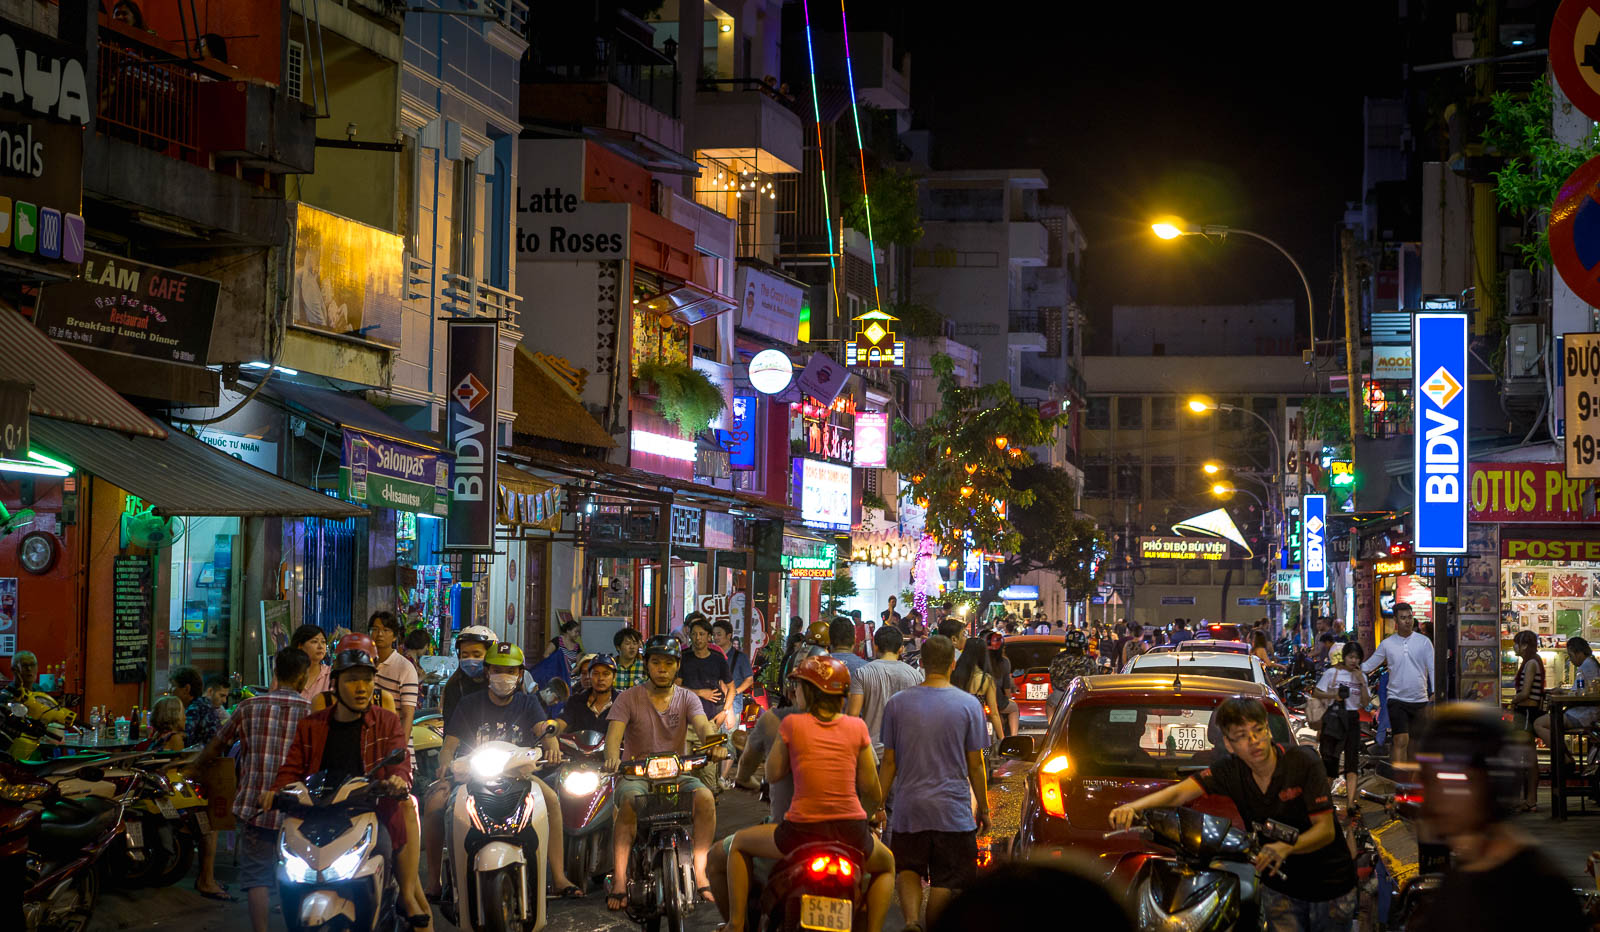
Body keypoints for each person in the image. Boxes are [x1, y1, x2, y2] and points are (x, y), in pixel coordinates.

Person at [1111, 697, 1357, 932]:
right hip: (1281, 888)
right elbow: (1178, 793)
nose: (1254, 741)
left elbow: (1325, 830)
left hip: (1329, 886)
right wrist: (1133, 808)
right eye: (1241, 736)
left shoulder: (1302, 762)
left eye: (1258, 730)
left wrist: (1285, 848)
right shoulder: (1230, 772)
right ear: (1228, 744)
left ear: (1268, 731)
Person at [725, 655, 894, 932]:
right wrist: (868, 814)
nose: (795, 692)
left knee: (739, 844)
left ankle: (735, 924)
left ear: (809, 691)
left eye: (799, 686)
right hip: (850, 832)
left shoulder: (792, 725)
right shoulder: (857, 728)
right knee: (887, 865)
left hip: (801, 832)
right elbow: (872, 790)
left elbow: (773, 773)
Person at [271, 641, 428, 928]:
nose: (361, 687)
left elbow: (400, 763)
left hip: (371, 812)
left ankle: (405, 894)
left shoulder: (387, 721)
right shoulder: (312, 725)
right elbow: (291, 768)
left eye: (367, 679)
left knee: (408, 805)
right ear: (335, 685)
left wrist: (397, 780)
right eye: (353, 680)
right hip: (319, 815)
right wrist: (273, 793)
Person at [1410, 703, 1587, 932]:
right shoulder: (1461, 877)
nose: (1431, 793)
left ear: (1491, 782)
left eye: (1446, 777)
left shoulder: (1538, 893)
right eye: (1427, 777)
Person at [439, 642, 578, 899]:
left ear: (519, 675)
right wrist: (445, 763)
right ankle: (439, 882)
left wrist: (552, 745)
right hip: (473, 775)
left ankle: (557, 876)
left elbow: (544, 731)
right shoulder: (469, 704)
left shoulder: (528, 704)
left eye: (511, 671)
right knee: (438, 803)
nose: (504, 677)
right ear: (487, 672)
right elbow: (450, 745)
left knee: (552, 801)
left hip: (519, 775)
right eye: (498, 670)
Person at [187, 648, 311, 929]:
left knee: (258, 877)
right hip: (298, 812)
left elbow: (217, 744)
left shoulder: (248, 707)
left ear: (276, 673)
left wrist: (194, 768)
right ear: (303, 678)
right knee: (301, 875)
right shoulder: (312, 712)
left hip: (256, 808)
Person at [602, 635, 728, 912]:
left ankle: (701, 868)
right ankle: (621, 879)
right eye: (656, 662)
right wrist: (612, 758)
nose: (662, 668)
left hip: (677, 773)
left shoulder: (688, 698)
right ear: (646, 664)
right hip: (637, 776)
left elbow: (704, 727)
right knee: (629, 803)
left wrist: (715, 746)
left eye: (668, 663)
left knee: (706, 797)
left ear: (676, 666)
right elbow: (614, 738)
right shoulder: (628, 698)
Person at [877, 635, 990, 931]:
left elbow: (889, 761)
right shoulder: (968, 706)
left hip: (909, 808)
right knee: (947, 878)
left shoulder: (897, 704)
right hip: (952, 811)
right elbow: (976, 764)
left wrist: (877, 804)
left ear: (922, 663)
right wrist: (985, 809)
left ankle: (912, 921)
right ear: (953, 664)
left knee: (909, 868)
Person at [1361, 602, 1434, 762]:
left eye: (1409, 617)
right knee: (1400, 740)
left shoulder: (1424, 642)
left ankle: (1412, 782)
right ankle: (1399, 781)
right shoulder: (1387, 644)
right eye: (1403, 618)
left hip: (1420, 699)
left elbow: (1432, 667)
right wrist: (1349, 666)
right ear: (1395, 620)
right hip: (1396, 699)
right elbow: (1369, 665)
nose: (1407, 621)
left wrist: (1433, 691)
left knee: (1416, 744)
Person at [846, 626, 923, 758]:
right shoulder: (915, 676)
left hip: (871, 752)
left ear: (875, 647)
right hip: (904, 751)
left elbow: (852, 715)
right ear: (901, 648)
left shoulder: (863, 673)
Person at [1313, 641, 1370, 812]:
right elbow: (1316, 692)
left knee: (1352, 763)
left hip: (1352, 719)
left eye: (1357, 658)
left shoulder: (1362, 677)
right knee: (1330, 763)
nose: (1354, 661)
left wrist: (1362, 682)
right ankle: (1323, 801)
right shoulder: (1332, 673)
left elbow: (1365, 703)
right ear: (1344, 657)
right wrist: (1334, 695)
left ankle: (1351, 803)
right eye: (1351, 657)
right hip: (1334, 718)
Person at [1532, 635, 1600, 773]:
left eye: (1571, 655)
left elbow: (1584, 693)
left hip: (1584, 715)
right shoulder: (1590, 664)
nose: (1571, 659)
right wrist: (1564, 692)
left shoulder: (1586, 666)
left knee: (1539, 723)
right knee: (1550, 722)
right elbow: (1581, 691)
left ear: (1579, 653)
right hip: (1585, 713)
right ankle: (1566, 756)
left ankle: (1564, 758)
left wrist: (1563, 694)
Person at [1509, 630, 1545, 810]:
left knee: (1527, 758)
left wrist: (1511, 702)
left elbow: (1525, 693)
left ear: (1524, 645)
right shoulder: (1532, 661)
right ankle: (1529, 800)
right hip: (1526, 712)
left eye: (1516, 643)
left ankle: (1529, 800)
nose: (1514, 646)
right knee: (1528, 758)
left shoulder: (1531, 663)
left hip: (1527, 713)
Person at [368, 611, 420, 735]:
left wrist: (400, 750)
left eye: (386, 630)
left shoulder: (405, 668)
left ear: (395, 636)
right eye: (375, 629)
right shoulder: (366, 664)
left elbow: (408, 715)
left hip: (393, 740)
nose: (380, 634)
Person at [678, 617, 734, 724]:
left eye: (701, 634)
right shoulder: (683, 658)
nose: (698, 638)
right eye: (694, 634)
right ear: (690, 636)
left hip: (712, 718)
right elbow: (676, 688)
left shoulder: (718, 659)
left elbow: (731, 688)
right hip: (686, 720)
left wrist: (725, 712)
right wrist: (699, 693)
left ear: (709, 637)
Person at [439, 625, 496, 723]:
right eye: (465, 655)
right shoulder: (454, 686)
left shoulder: (499, 684)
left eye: (477, 655)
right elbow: (450, 724)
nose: (470, 659)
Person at [952, 636, 1005, 742]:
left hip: (956, 728)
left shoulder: (954, 675)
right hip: (978, 730)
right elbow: (994, 714)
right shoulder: (986, 679)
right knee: (981, 756)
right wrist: (1002, 739)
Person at [559, 653, 617, 737]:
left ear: (614, 677)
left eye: (606, 674)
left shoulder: (622, 702)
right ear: (590, 675)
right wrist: (554, 727)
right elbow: (562, 721)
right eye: (596, 673)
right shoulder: (575, 701)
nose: (601, 678)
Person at [711, 620, 755, 723]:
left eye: (719, 634)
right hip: (712, 707)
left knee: (729, 738)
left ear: (729, 635)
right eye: (713, 635)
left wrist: (735, 692)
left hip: (733, 706)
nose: (715, 638)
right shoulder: (711, 655)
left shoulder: (740, 657)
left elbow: (749, 679)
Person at [171, 666, 224, 748]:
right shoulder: (204, 704)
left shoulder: (194, 709)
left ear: (186, 689)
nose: (170, 690)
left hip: (202, 759)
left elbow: (185, 740)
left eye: (173, 686)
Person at [1047, 629, 1098, 710]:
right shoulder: (1089, 660)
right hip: (1083, 695)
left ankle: (1052, 723)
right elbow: (1095, 678)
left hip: (1061, 694)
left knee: (1050, 703)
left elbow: (1053, 677)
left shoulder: (1059, 658)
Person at [985, 631, 1019, 738]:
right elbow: (1006, 687)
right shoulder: (1004, 662)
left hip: (980, 698)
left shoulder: (981, 660)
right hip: (997, 698)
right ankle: (1013, 738)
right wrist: (1009, 699)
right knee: (1014, 708)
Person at [290, 625, 331, 701]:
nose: (320, 646)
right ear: (300, 646)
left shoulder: (331, 674)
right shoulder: (287, 674)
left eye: (323, 642)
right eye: (314, 641)